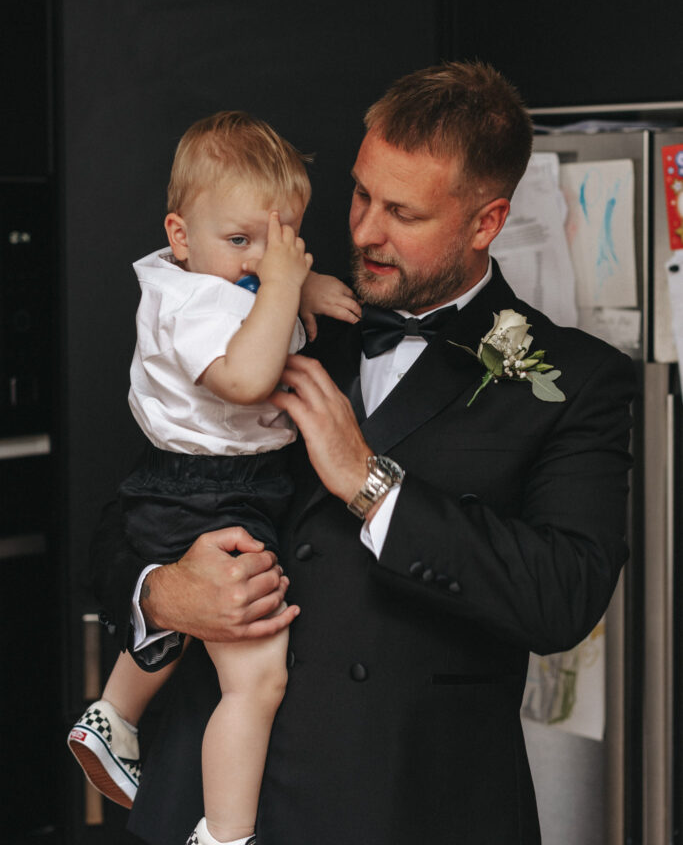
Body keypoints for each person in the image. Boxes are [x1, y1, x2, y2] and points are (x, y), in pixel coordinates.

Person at [91, 62, 634, 845]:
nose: (363, 232)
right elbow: (127, 513)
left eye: (402, 213)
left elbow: (561, 598)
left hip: (409, 806)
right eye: (360, 195)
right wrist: (162, 595)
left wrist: (370, 483)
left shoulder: (576, 380)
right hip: (208, 806)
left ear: (485, 222)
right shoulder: (270, 311)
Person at [68, 110, 360, 845]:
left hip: (205, 487)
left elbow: (261, 280)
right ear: (179, 236)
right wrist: (291, 283)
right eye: (239, 241)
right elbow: (248, 376)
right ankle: (226, 834)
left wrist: (305, 281)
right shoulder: (194, 302)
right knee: (255, 680)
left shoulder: (223, 277)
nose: (261, 259)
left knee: (186, 629)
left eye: (281, 238)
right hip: (209, 492)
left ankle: (112, 718)